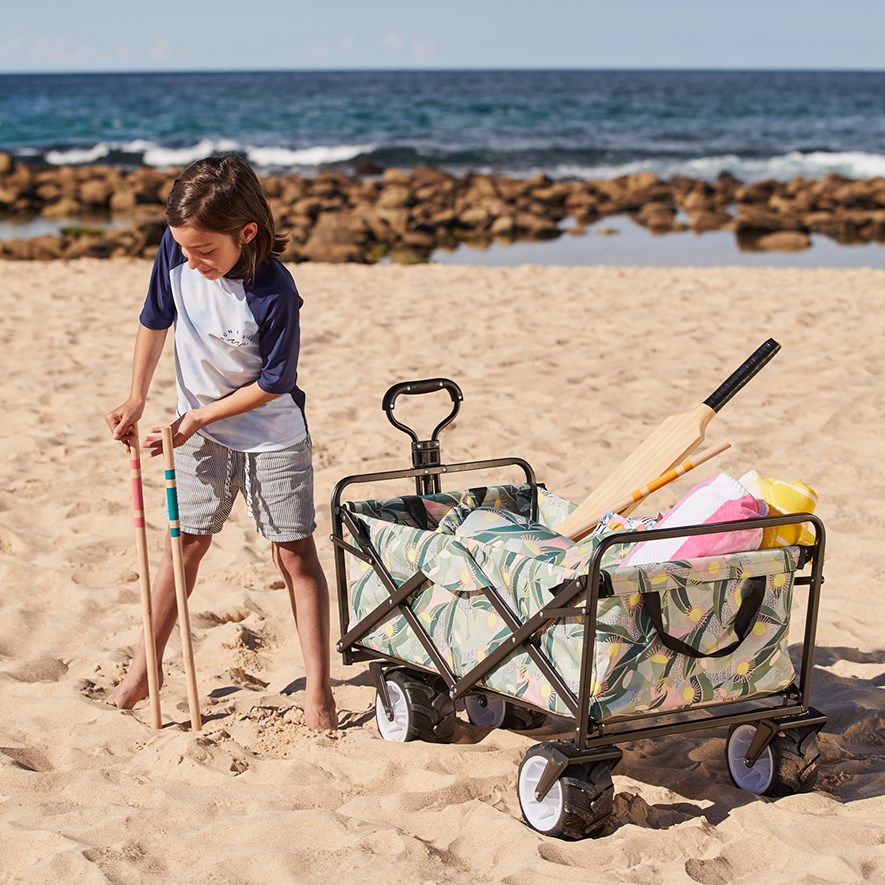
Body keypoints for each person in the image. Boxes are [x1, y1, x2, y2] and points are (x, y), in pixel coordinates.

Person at [105, 153, 337, 730]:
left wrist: (200, 417)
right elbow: (155, 318)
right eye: (185, 248)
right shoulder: (178, 246)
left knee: (294, 553)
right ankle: (145, 671)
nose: (191, 260)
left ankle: (319, 691)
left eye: (206, 250)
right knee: (183, 546)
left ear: (247, 233)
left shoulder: (274, 292)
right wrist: (136, 397)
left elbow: (275, 382)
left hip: (271, 430)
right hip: (196, 425)